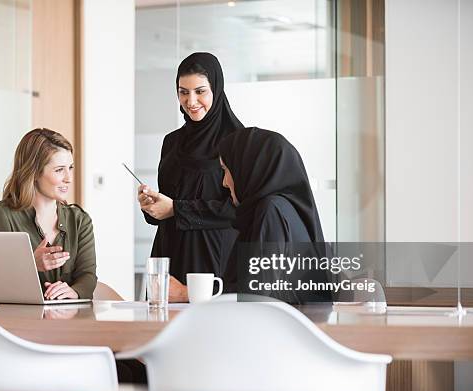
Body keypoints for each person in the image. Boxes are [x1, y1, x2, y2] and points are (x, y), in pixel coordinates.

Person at [138, 52, 243, 302]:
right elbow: (168, 203)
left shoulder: (238, 141)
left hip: (213, 255)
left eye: (200, 91)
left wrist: (176, 209)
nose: (191, 100)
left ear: (216, 89)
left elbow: (237, 209)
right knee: (160, 329)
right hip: (169, 251)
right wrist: (152, 205)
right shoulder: (172, 142)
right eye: (183, 92)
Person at [218, 127, 332, 303]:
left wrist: (190, 292)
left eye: (226, 170)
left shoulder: (271, 211)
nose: (224, 182)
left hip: (278, 328)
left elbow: (252, 296)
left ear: (248, 168)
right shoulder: (287, 209)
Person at [0, 128, 97, 300]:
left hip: (70, 320)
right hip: (21, 320)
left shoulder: (80, 220)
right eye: (59, 170)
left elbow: (87, 275)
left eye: (70, 168)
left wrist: (74, 291)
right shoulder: (2, 214)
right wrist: (31, 265)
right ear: (35, 172)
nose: (69, 178)